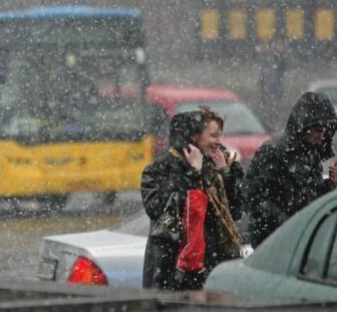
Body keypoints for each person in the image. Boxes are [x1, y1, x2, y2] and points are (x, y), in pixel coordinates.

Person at [141, 106, 244, 290]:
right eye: (213, 136)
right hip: (172, 268)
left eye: (219, 136)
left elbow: (234, 213)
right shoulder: (158, 170)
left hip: (210, 265)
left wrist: (226, 174)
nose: (218, 142)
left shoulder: (211, 169)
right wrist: (192, 174)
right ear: (193, 138)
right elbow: (160, 210)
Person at [245, 91, 337, 248]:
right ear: (304, 127)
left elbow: (322, 195)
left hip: (310, 238)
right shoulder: (274, 152)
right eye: (318, 131)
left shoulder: (324, 153)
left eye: (325, 131)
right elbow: (254, 196)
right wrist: (289, 220)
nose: (322, 136)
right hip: (275, 238)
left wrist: (332, 186)